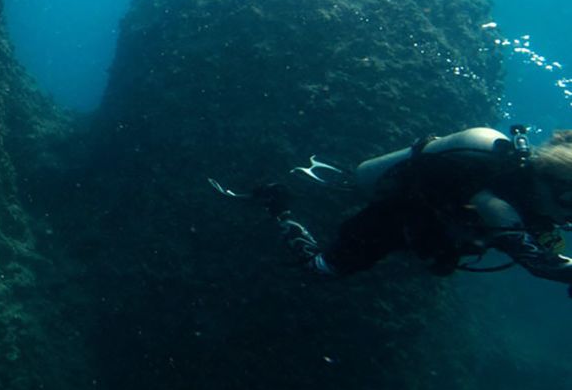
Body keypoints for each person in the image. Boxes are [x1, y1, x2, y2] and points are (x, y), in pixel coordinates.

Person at [231, 126, 572, 292]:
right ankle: (278, 209)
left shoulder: (537, 206)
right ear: (556, 187)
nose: (569, 220)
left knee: (346, 192)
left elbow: (548, 248)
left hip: (411, 215)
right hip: (390, 221)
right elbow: (538, 260)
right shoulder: (501, 198)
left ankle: (321, 182)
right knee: (321, 269)